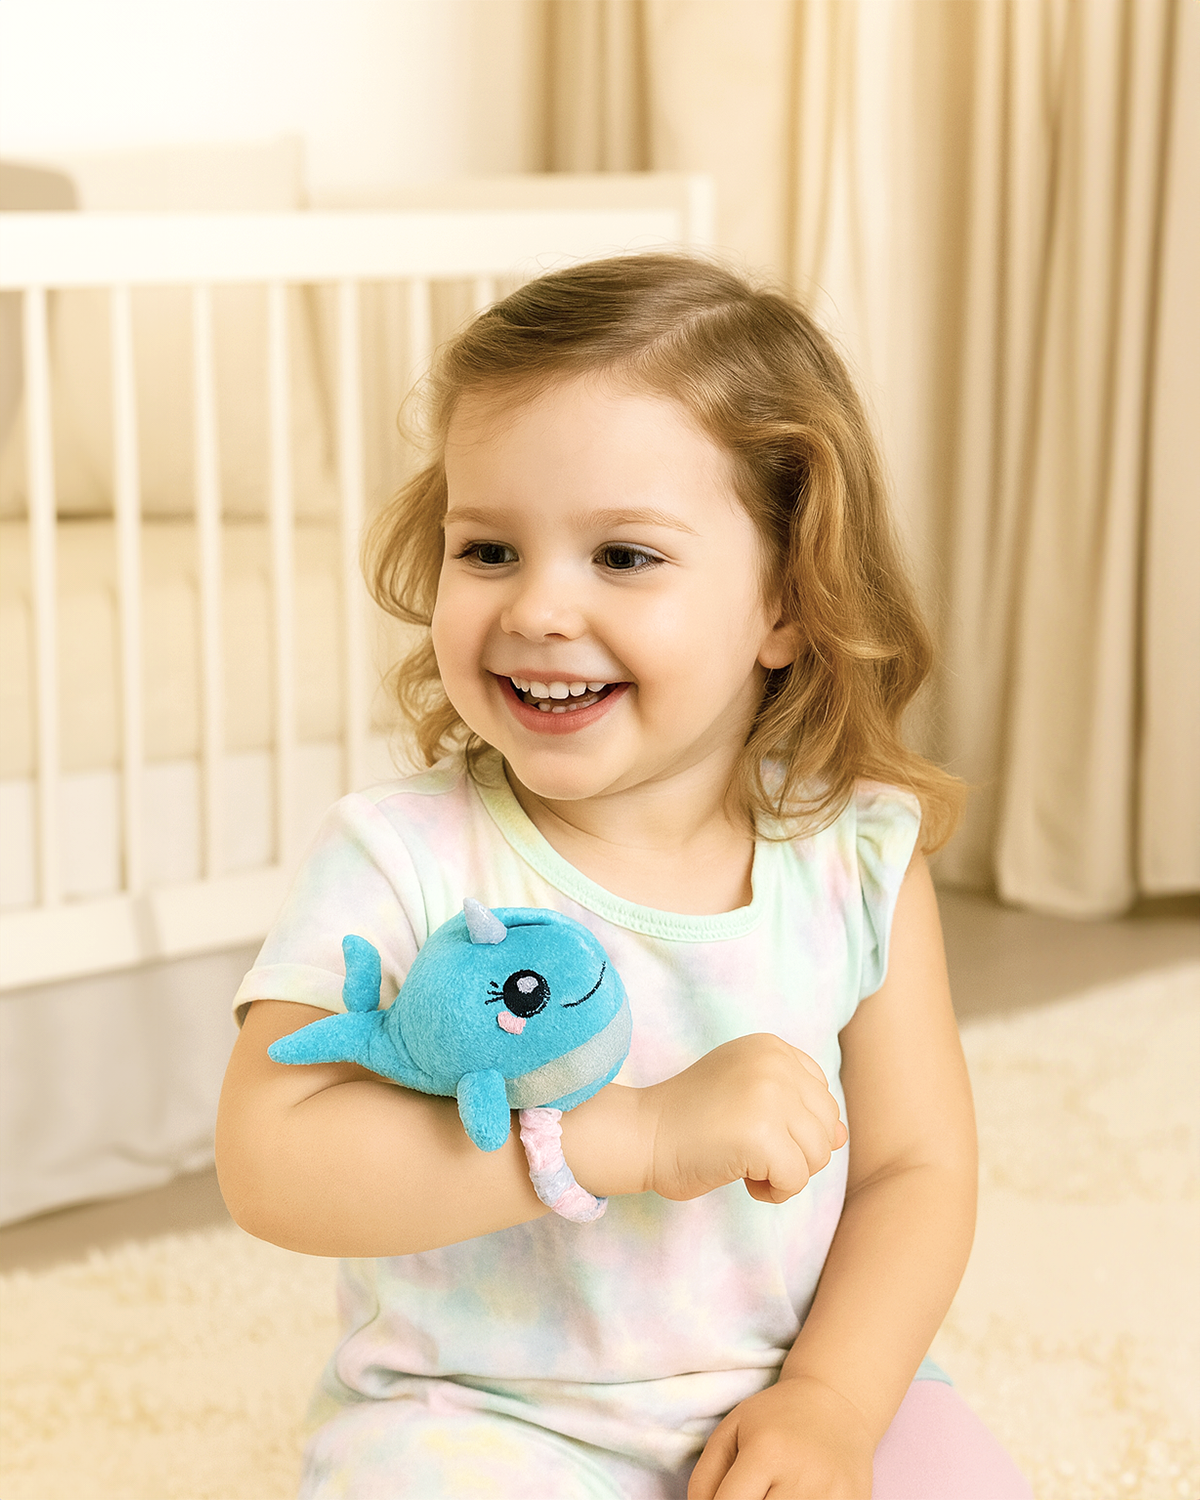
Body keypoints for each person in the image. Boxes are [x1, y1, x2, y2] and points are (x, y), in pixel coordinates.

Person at [216, 254, 1032, 1499]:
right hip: (485, 1415)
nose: (540, 608)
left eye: (624, 557)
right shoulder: (401, 855)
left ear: (786, 600)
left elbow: (915, 1170)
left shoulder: (854, 855)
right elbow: (271, 1161)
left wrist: (831, 1402)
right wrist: (625, 1135)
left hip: (794, 1379)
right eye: (490, 549)